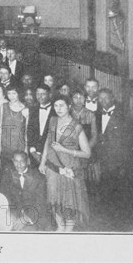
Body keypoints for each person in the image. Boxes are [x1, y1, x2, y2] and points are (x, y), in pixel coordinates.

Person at [39, 95, 91, 232]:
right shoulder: (52, 120)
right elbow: (47, 142)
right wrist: (43, 161)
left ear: (69, 106)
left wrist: (65, 150)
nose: (58, 109)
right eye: (56, 106)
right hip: (52, 167)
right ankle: (60, 226)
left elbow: (87, 153)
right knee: (54, 198)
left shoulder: (76, 126)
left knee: (69, 200)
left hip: (69, 169)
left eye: (61, 105)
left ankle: (68, 230)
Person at [0, 151, 47, 231]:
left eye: (22, 161)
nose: (18, 165)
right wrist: (9, 213)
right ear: (12, 161)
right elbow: (4, 196)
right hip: (14, 213)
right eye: (16, 161)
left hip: (33, 215)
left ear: (28, 161)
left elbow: (41, 203)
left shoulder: (39, 177)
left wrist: (26, 218)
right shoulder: (7, 175)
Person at [0, 86, 29, 171]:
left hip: (19, 145)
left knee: (18, 170)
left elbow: (26, 131)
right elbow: (0, 127)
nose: (11, 96)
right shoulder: (3, 107)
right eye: (9, 93)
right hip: (6, 145)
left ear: (19, 94)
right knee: (6, 170)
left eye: (14, 93)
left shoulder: (25, 109)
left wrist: (26, 148)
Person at [27, 84, 56, 167]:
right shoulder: (32, 109)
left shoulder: (56, 111)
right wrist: (33, 151)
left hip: (50, 153)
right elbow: (29, 131)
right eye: (37, 94)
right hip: (33, 152)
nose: (39, 96)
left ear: (49, 95)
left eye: (42, 94)